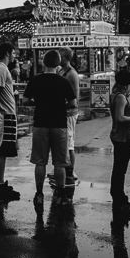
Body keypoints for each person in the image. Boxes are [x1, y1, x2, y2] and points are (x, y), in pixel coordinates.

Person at [22, 49, 77, 207]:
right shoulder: (63, 81)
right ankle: (61, 193)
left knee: (40, 162)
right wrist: (61, 106)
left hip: (40, 124)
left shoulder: (35, 80)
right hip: (59, 125)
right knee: (59, 163)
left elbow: (25, 101)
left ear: (43, 62)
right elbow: (73, 103)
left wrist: (38, 103)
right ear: (58, 63)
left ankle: (39, 193)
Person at [0, 43, 19, 200]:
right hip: (4, 115)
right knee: (1, 150)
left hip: (1, 114)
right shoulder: (1, 69)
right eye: (13, 52)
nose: (14, 56)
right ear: (7, 53)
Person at [108, 70, 130, 217]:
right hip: (121, 137)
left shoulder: (120, 95)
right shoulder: (120, 97)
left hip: (125, 135)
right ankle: (119, 200)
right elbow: (120, 118)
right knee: (120, 170)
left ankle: (119, 198)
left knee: (120, 169)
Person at [57, 47, 80, 187]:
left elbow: (75, 98)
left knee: (69, 143)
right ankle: (63, 169)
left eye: (60, 56)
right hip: (62, 112)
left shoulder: (71, 74)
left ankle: (71, 171)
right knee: (63, 142)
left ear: (65, 58)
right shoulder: (61, 70)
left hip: (69, 113)